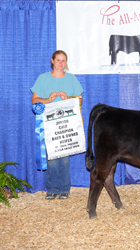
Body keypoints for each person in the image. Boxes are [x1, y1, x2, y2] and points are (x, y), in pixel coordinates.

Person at [31, 50, 84, 200]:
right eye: (58, 60)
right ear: (52, 61)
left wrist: (68, 98)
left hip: (65, 123)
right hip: (48, 123)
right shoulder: (43, 78)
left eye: (64, 60)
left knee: (64, 157)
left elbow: (79, 100)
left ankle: (65, 188)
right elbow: (34, 100)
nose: (61, 63)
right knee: (52, 158)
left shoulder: (72, 79)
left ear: (66, 63)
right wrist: (47, 99)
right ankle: (52, 188)